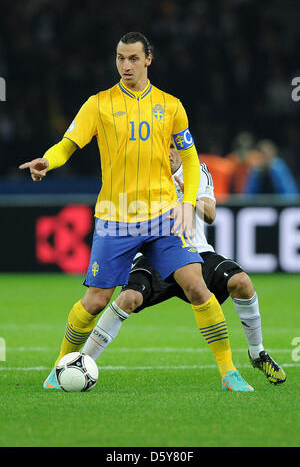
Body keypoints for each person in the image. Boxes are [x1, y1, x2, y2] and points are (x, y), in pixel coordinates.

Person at [19, 32, 253, 392]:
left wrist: (188, 202)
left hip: (162, 216)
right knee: (96, 300)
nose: (125, 65)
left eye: (132, 58)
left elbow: (190, 160)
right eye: (119, 58)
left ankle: (229, 372)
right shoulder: (98, 104)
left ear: (148, 60)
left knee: (197, 286)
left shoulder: (171, 105)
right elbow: (69, 144)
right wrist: (47, 161)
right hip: (115, 216)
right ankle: (59, 367)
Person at [82, 141, 286, 386]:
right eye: (162, 147)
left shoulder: (196, 171)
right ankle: (81, 362)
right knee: (128, 299)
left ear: (182, 149)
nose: (167, 153)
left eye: (172, 147)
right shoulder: (142, 174)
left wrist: (190, 201)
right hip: (154, 252)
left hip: (195, 251)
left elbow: (210, 214)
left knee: (242, 282)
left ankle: (257, 352)